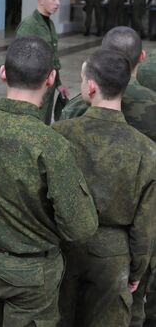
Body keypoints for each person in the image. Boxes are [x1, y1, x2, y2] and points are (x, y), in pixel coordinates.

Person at [0, 36, 98, 326]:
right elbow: (81, 227)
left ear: (2, 73)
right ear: (50, 78)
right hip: (32, 274)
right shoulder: (50, 144)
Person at [53, 49, 156, 327]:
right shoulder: (146, 150)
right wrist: (136, 271)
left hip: (64, 248)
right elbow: (144, 225)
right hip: (115, 257)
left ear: (91, 86)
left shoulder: (60, 135)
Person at [16, 0, 69, 124]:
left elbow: (52, 58)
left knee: (44, 122)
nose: (58, 3)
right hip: (34, 89)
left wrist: (58, 83)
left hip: (48, 86)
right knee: (33, 124)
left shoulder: (49, 24)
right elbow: (19, 60)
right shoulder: (29, 25)